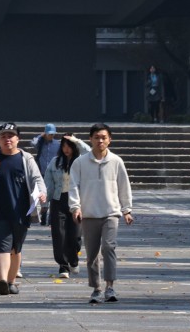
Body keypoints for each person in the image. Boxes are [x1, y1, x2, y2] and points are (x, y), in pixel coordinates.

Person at [0, 123, 47, 295]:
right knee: (2, 247)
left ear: (17, 139)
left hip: (22, 211)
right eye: (3, 136)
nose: (7, 139)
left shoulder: (26, 158)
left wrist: (42, 192)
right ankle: (2, 281)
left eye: (11, 136)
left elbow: (37, 178)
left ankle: (11, 281)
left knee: (16, 248)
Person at [70, 123, 133, 304]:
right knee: (92, 254)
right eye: (97, 137)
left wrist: (126, 209)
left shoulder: (116, 161)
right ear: (90, 139)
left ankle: (110, 286)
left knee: (108, 247)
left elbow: (124, 186)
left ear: (110, 140)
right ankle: (96, 288)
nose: (100, 141)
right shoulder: (80, 162)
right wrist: (75, 207)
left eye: (104, 137)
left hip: (110, 213)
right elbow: (73, 186)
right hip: (89, 214)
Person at [46, 133, 89, 277]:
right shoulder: (55, 162)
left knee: (75, 236)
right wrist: (45, 204)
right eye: (63, 146)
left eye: (69, 146)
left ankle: (74, 260)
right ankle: (63, 266)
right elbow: (49, 183)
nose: (66, 149)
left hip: (77, 201)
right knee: (59, 235)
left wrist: (76, 140)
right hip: (59, 200)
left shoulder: (82, 161)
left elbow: (90, 151)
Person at [32, 124, 59, 225]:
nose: (51, 136)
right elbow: (33, 143)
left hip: (54, 172)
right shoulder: (40, 143)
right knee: (43, 194)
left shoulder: (57, 144)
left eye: (52, 134)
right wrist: (40, 136)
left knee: (53, 194)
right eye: (49, 134)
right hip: (42, 172)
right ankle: (44, 214)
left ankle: (51, 217)